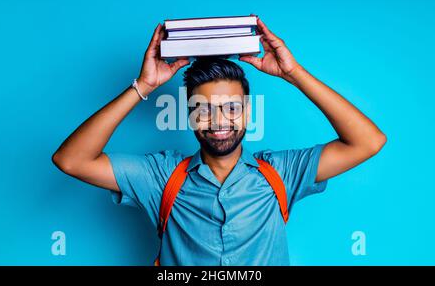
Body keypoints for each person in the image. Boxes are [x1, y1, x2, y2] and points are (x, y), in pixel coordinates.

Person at [52, 17, 386, 265]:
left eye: (231, 108)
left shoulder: (280, 174)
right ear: (188, 113)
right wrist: (143, 86)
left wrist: (292, 73)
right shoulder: (161, 178)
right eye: (204, 109)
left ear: (248, 111)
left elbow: (367, 141)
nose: (219, 121)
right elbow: (71, 160)